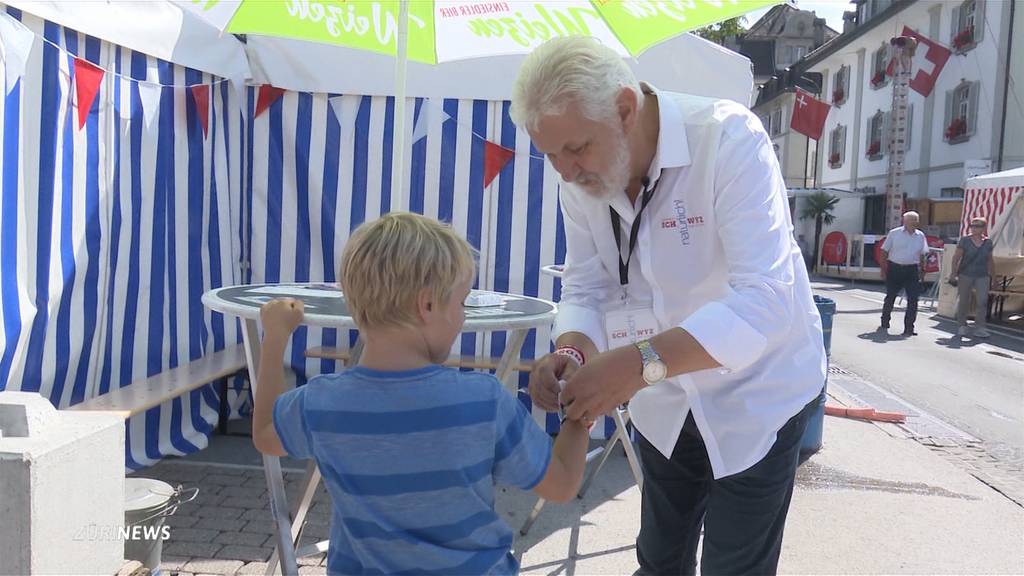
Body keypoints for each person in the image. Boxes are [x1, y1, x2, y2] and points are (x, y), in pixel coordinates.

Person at [510, 37, 826, 575]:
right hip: (665, 402)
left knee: (734, 566)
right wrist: (574, 353)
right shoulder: (581, 178)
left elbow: (766, 299)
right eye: (549, 154)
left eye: (577, 148)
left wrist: (637, 363)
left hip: (757, 396)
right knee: (659, 560)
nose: (564, 171)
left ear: (626, 109)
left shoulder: (728, 139)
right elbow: (587, 286)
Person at [251, 212, 592, 575]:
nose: (462, 318)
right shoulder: (483, 401)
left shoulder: (321, 402)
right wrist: (583, 408)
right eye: (461, 303)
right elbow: (561, 484)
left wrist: (275, 338)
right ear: (427, 305)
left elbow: (265, 436)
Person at [879, 211, 929, 336]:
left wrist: (922, 270)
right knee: (890, 296)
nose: (914, 223)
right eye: (912, 220)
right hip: (895, 268)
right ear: (905, 221)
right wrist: (883, 269)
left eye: (916, 220)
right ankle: (885, 322)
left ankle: (909, 328)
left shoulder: (920, 236)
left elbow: (922, 254)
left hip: (911, 270)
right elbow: (884, 252)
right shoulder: (894, 233)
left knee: (913, 299)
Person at [951, 216, 995, 338]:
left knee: (982, 301)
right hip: (966, 274)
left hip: (982, 275)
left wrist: (994, 277)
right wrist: (953, 273)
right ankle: (962, 325)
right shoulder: (965, 240)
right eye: (972, 225)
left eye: (977, 226)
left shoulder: (988, 242)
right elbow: (956, 257)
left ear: (983, 228)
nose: (974, 228)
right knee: (965, 300)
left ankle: (980, 327)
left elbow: (990, 260)